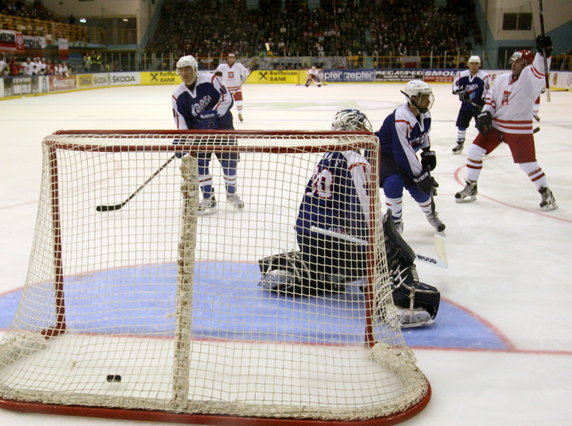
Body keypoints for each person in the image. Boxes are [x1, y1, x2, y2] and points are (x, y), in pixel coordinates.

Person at [257, 109, 440, 328]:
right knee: (393, 254)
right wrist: (385, 240)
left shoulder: (330, 154)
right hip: (330, 239)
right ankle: (394, 307)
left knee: (362, 252)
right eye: (361, 127)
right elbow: (365, 214)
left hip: (308, 236)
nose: (366, 131)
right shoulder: (356, 161)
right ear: (352, 131)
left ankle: (314, 272)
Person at [455, 36, 557, 211]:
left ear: (526, 64)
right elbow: (491, 100)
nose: (513, 64)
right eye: (513, 61)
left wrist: (543, 53)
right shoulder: (502, 78)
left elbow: (540, 69)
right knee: (474, 150)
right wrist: (486, 114)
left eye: (518, 61)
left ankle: (546, 193)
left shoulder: (531, 79)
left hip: (518, 128)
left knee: (527, 164)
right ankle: (471, 185)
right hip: (497, 125)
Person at [171, 54, 244, 215]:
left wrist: (214, 114)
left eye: (188, 69)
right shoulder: (177, 95)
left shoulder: (210, 80)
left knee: (229, 163)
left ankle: (231, 194)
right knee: (200, 166)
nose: (184, 73)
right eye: (181, 70)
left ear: (195, 69)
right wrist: (181, 140)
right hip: (200, 136)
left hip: (223, 130)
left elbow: (227, 98)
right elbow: (181, 122)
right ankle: (208, 198)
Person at [376, 80, 445, 233]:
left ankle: (431, 214)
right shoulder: (401, 119)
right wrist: (420, 176)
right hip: (386, 156)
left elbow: (423, 133)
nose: (428, 100)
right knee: (394, 183)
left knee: (420, 191)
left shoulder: (424, 113)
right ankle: (395, 223)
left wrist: (427, 150)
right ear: (413, 99)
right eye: (424, 97)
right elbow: (404, 153)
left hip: (404, 154)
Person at [451, 55, 490, 154]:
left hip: (479, 106)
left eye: (476, 64)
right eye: (472, 63)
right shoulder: (462, 75)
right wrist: (459, 92)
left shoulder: (484, 76)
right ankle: (460, 143)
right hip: (466, 105)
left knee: (482, 125)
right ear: (468, 64)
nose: (473, 66)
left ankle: (483, 145)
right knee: (461, 124)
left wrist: (485, 100)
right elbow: (455, 84)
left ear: (479, 65)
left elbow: (489, 89)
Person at [214, 53, 250, 122]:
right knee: (224, 103)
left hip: (236, 88)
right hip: (226, 88)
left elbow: (245, 73)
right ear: (227, 58)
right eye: (230, 57)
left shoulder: (239, 66)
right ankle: (222, 115)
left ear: (235, 59)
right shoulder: (222, 66)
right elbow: (216, 73)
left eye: (232, 57)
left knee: (239, 102)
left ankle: (240, 114)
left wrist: (248, 72)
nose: (231, 59)